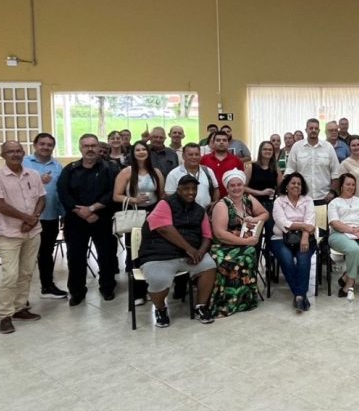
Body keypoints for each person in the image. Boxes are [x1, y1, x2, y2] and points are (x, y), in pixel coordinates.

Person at [134, 174, 217, 327]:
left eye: (194, 189)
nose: (191, 192)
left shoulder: (200, 210)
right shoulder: (165, 204)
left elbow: (207, 236)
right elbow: (164, 229)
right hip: (159, 254)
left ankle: (201, 306)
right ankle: (160, 309)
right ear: (178, 190)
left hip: (189, 255)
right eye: (186, 189)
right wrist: (190, 249)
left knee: (209, 266)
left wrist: (200, 252)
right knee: (159, 279)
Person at [0, 141, 47, 334]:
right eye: (10, 151)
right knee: (10, 275)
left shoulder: (33, 174)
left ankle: (20, 308)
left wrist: (33, 219)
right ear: (2, 154)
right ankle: (5, 315)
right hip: (9, 233)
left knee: (27, 273)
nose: (15, 154)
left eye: (18, 151)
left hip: (33, 231)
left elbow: (41, 199)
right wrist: (26, 218)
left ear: (24, 153)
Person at [58, 133, 118, 306]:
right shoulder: (70, 169)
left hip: (101, 218)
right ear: (80, 148)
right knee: (75, 257)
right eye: (86, 146)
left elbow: (112, 193)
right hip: (75, 220)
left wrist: (92, 209)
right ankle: (77, 291)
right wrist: (80, 211)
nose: (90, 149)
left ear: (99, 148)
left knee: (106, 256)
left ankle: (107, 288)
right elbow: (63, 193)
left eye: (93, 146)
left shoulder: (110, 168)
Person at [208, 169, 268, 317]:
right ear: (227, 188)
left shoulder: (248, 198)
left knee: (250, 253)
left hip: (244, 243)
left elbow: (265, 213)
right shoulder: (222, 205)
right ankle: (226, 302)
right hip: (223, 245)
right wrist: (245, 241)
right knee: (229, 260)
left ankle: (245, 300)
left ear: (243, 185)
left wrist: (254, 219)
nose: (236, 188)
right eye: (232, 185)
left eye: (239, 184)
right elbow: (220, 234)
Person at [114, 140, 166, 305]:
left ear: (148, 152)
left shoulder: (156, 172)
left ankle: (153, 288)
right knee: (135, 254)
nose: (141, 152)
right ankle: (137, 293)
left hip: (153, 214)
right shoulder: (127, 172)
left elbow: (162, 195)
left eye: (144, 149)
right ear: (133, 153)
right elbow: (116, 195)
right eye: (138, 149)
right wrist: (133, 199)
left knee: (153, 253)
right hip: (135, 214)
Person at [23, 132, 68, 299]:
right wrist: (38, 182)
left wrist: (63, 213)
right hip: (28, 217)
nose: (45, 147)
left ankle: (47, 286)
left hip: (50, 216)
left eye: (49, 145)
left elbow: (60, 192)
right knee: (25, 255)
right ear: (35, 145)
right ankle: (21, 296)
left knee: (46, 253)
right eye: (42, 144)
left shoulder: (57, 166)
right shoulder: (24, 162)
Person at [271, 172, 317, 312]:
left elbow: (310, 221)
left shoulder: (308, 200)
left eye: (299, 183)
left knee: (303, 259)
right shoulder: (279, 201)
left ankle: (298, 296)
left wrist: (304, 236)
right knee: (287, 259)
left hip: (305, 238)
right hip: (281, 238)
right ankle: (300, 294)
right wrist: (303, 226)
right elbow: (282, 222)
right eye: (293, 183)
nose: (296, 185)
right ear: (286, 186)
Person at [328, 174, 359, 301]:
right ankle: (349, 284)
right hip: (339, 233)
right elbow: (335, 223)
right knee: (353, 250)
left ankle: (346, 276)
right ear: (341, 186)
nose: (351, 187)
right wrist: (352, 231)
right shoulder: (334, 202)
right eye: (347, 184)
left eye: (353, 184)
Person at [284, 118, 340, 204]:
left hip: (325, 198)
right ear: (306, 130)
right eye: (311, 128)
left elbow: (336, 172)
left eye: (316, 128)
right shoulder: (297, 147)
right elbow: (290, 170)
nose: (313, 130)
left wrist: (332, 192)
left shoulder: (328, 147)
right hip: (302, 198)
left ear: (319, 130)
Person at [165, 143, 219, 209]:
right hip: (184, 214)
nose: (194, 157)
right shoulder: (173, 174)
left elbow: (216, 189)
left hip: (206, 212)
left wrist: (214, 203)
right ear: (183, 156)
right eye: (190, 155)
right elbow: (169, 196)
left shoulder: (208, 171)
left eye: (197, 154)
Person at [202, 130, 245, 197]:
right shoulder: (204, 159)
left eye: (224, 140)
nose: (221, 142)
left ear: (228, 143)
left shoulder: (236, 160)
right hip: (209, 200)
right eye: (218, 140)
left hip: (231, 200)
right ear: (213, 143)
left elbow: (241, 181)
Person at [244, 140, 281, 216]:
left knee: (270, 227)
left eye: (270, 149)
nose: (267, 151)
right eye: (265, 149)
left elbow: (280, 187)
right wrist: (260, 193)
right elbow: (243, 187)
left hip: (271, 204)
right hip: (254, 204)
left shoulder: (276, 169)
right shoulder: (251, 167)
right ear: (260, 151)